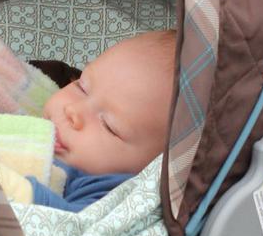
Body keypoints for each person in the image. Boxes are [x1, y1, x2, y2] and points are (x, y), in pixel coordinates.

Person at [27, 29, 176, 212]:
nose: (73, 111)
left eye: (108, 126)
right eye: (82, 87)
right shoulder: (26, 102)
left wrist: (19, 187)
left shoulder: (108, 193)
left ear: (153, 170)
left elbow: (68, 222)